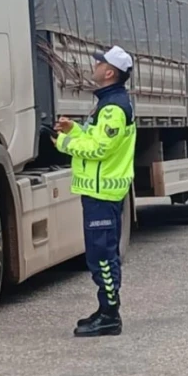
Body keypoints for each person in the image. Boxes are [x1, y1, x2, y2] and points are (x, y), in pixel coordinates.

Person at [53, 45, 137, 337]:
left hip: (104, 194)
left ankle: (111, 316)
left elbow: (100, 148)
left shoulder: (113, 108)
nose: (95, 65)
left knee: (102, 256)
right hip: (97, 192)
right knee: (99, 254)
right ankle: (105, 309)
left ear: (110, 72)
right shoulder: (107, 103)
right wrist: (73, 129)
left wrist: (63, 144)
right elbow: (93, 136)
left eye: (100, 62)